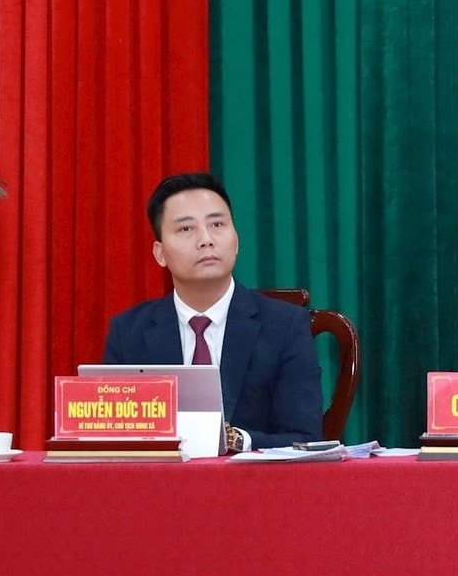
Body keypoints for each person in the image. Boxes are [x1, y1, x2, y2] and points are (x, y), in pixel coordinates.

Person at [102, 172, 323, 451]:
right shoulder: (128, 333)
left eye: (217, 224)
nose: (205, 240)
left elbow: (305, 437)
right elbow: (114, 439)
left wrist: (237, 440)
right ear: (160, 253)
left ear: (236, 240)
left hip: (251, 478)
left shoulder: (286, 326)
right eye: (186, 229)